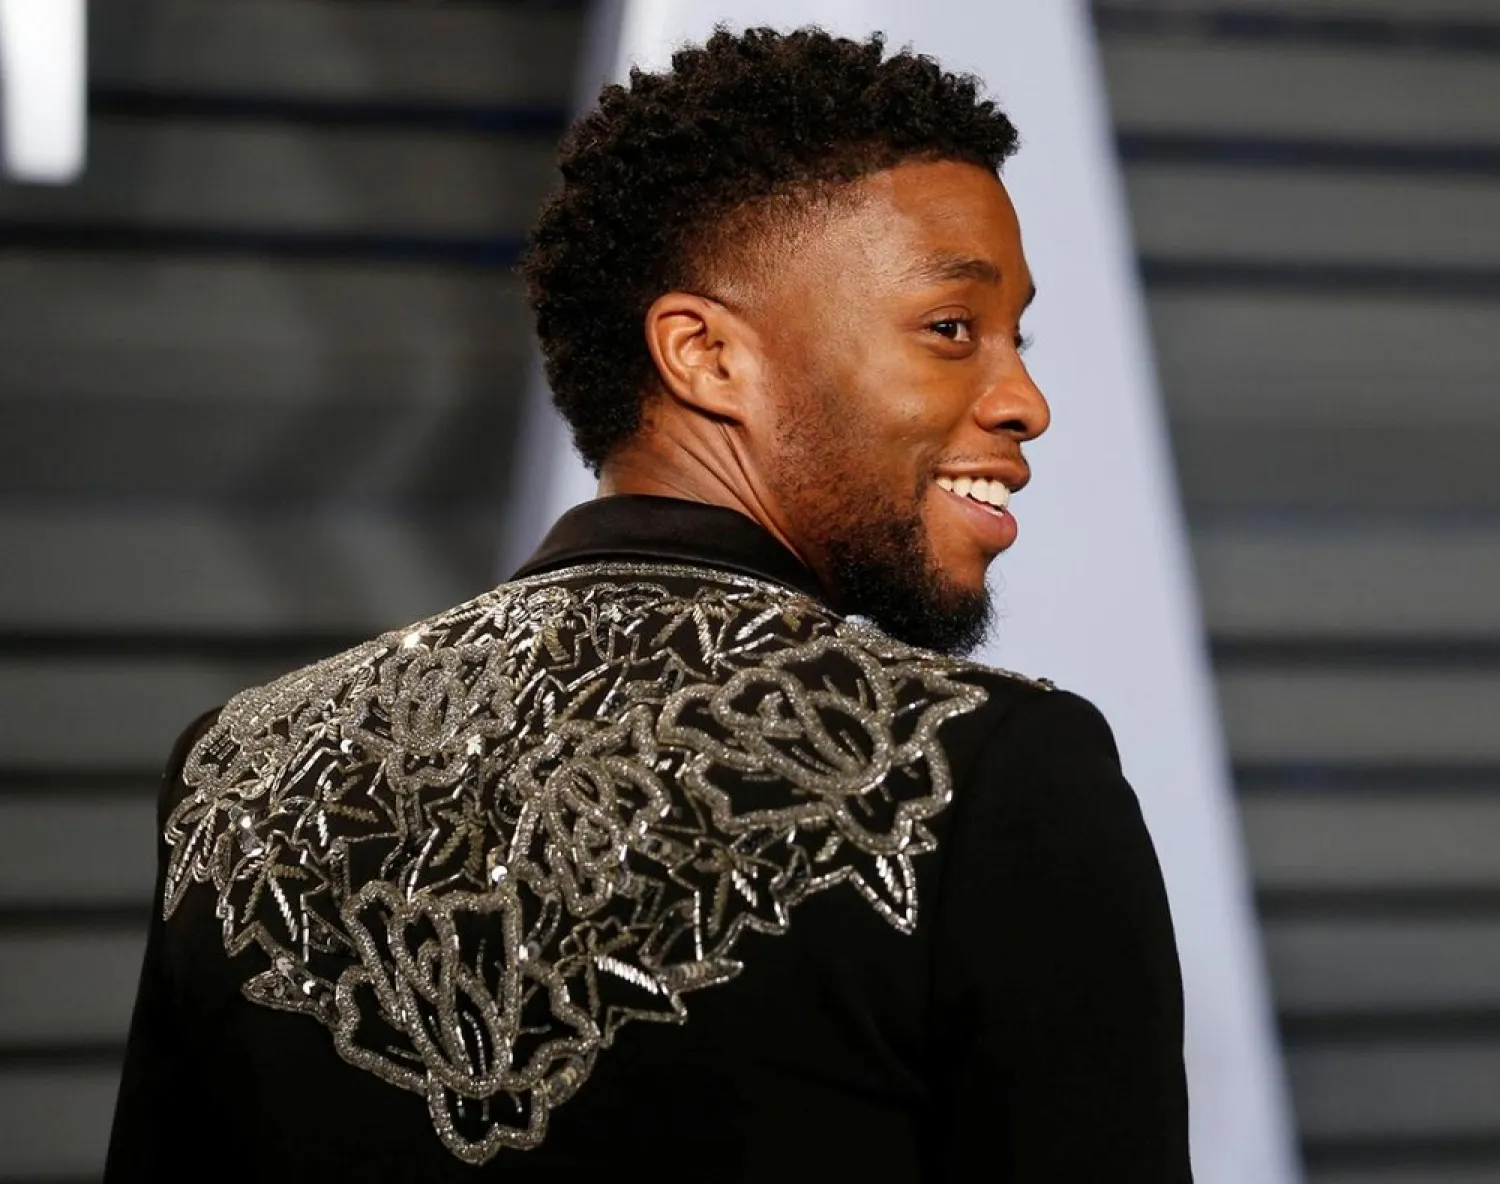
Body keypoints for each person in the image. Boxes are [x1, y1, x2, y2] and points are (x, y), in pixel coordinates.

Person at [105, 27, 1190, 1183]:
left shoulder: (244, 767)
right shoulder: (990, 774)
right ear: (706, 354)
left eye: (1018, 337)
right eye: (952, 329)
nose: (1026, 400)